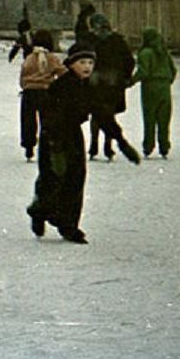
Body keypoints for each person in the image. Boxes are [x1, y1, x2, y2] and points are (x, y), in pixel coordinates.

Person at [26, 43, 139, 245]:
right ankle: (39, 211)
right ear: (71, 64)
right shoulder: (61, 85)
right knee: (53, 179)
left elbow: (102, 114)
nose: (87, 66)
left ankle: (68, 225)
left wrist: (121, 141)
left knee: (76, 178)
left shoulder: (89, 87)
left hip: (73, 135)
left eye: (90, 62)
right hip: (54, 137)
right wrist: (55, 145)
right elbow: (50, 115)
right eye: (82, 62)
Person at [87, 13, 138, 161]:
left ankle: (93, 146)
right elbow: (129, 60)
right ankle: (108, 146)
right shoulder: (117, 40)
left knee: (96, 113)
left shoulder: (90, 40)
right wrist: (126, 76)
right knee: (109, 113)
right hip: (113, 81)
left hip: (95, 81)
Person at [129, 27, 178, 159]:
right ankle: (164, 147)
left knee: (149, 117)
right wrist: (167, 81)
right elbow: (173, 70)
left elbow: (143, 72)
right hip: (165, 87)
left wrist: (131, 81)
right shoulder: (164, 53)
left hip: (150, 87)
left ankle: (148, 147)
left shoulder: (145, 53)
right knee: (164, 119)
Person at [19, 29, 67, 161]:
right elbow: (63, 73)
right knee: (47, 121)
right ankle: (47, 145)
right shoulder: (52, 58)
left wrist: (25, 86)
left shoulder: (29, 58)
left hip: (29, 93)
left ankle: (29, 147)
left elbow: (23, 76)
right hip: (46, 92)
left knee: (28, 121)